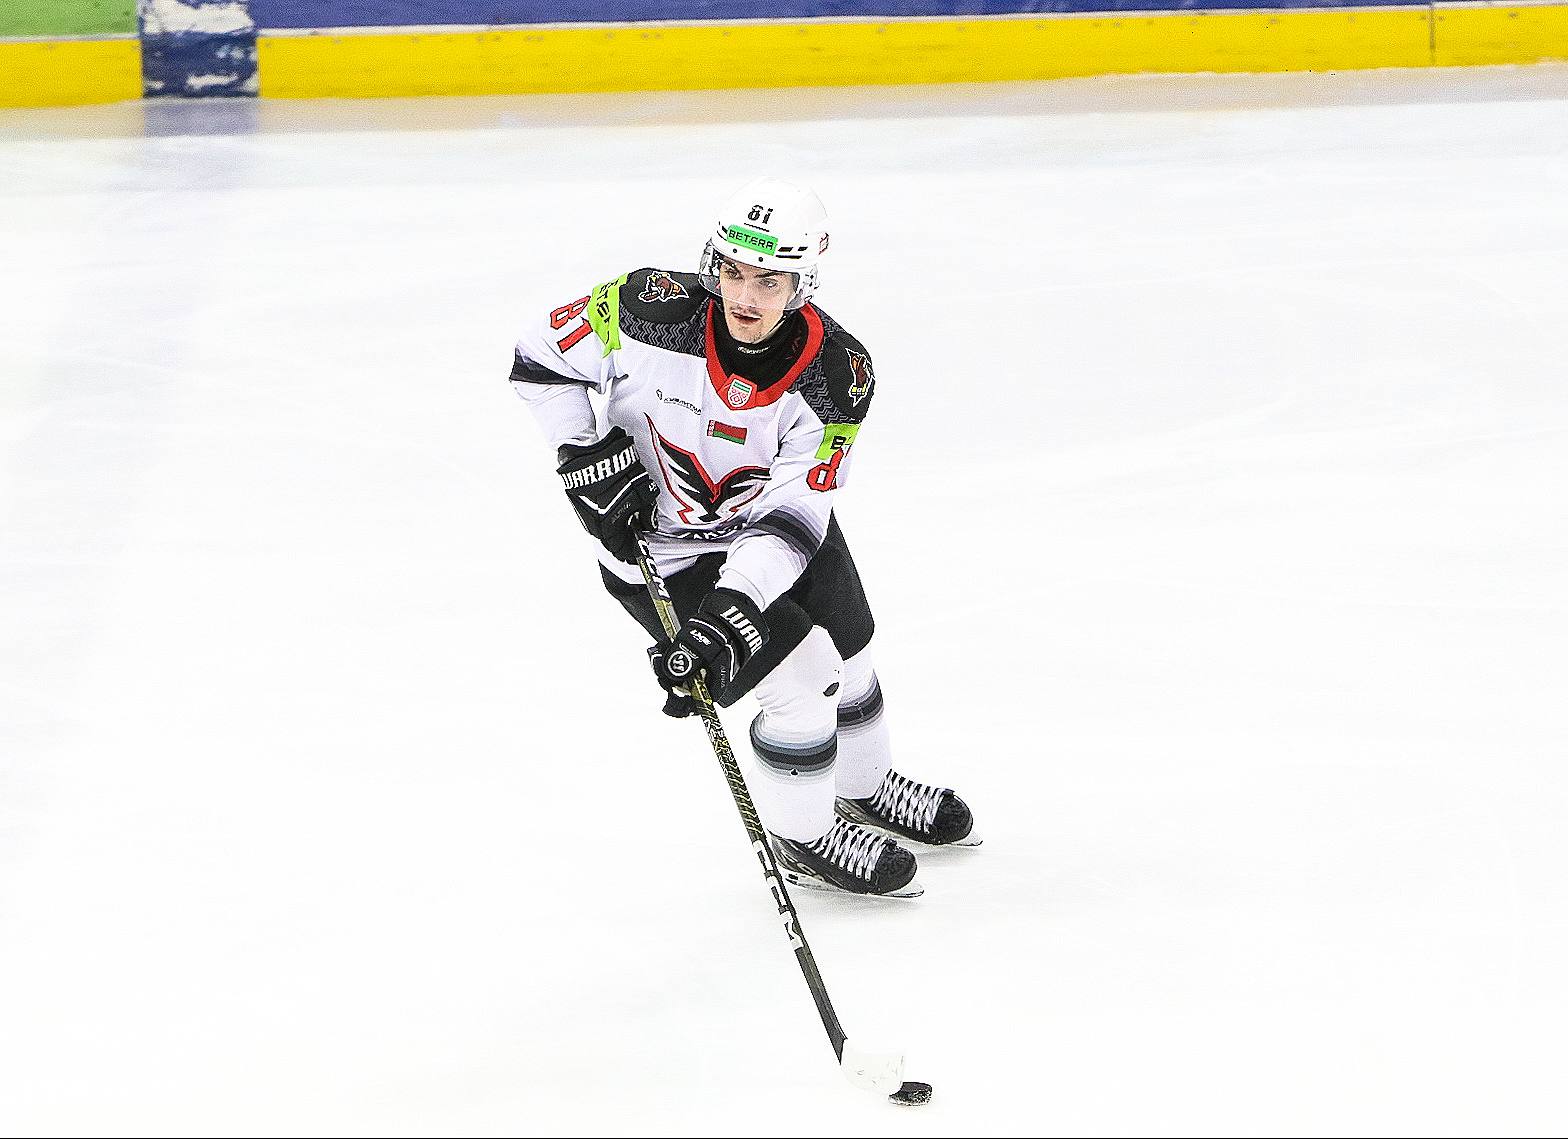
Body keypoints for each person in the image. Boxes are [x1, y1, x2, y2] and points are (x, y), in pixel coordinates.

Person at [507, 177, 980, 898]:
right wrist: (582, 453)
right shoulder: (643, 309)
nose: (745, 297)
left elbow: (796, 512)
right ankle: (804, 834)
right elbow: (538, 358)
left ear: (802, 284)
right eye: (733, 272)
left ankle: (864, 785)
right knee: (802, 686)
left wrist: (731, 613)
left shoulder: (837, 375)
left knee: (850, 645)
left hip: (772, 533)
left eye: (769, 280)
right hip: (662, 550)